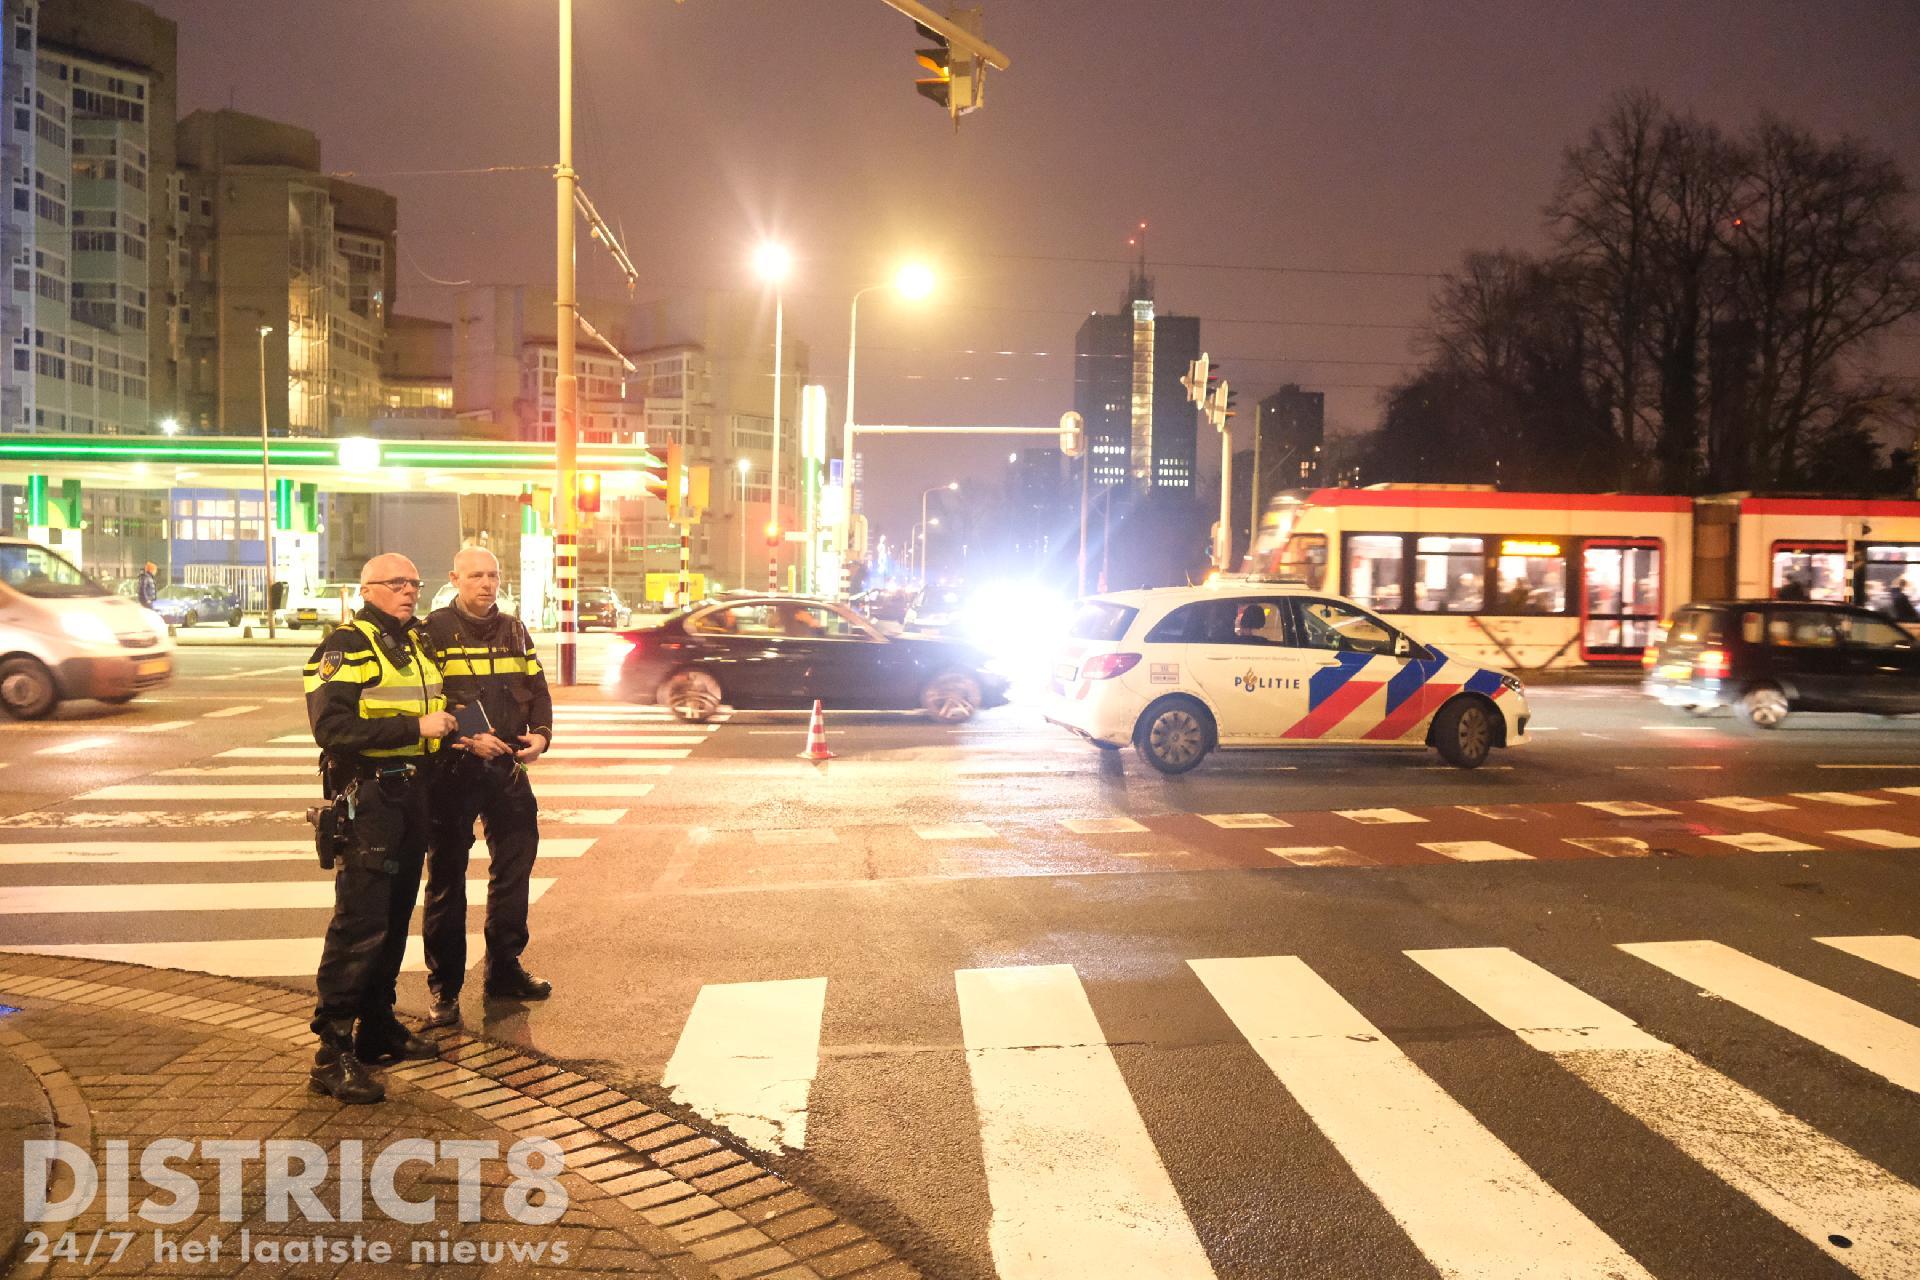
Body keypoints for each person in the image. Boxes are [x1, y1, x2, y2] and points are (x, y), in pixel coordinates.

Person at [304, 554, 463, 1104]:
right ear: (367, 589)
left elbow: (427, 705)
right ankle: (332, 1052)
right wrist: (414, 725)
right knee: (360, 921)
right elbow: (332, 727)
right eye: (397, 583)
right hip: (369, 796)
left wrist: (448, 733)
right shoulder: (346, 646)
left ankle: (377, 1028)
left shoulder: (410, 643)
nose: (409, 591)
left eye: (415, 583)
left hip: (410, 792)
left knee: (394, 916)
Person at [421, 546, 554, 1029]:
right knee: (447, 881)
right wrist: (463, 740)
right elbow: (425, 701)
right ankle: (445, 989)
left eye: (493, 575)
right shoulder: (431, 632)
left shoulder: (514, 629)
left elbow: (537, 689)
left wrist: (541, 735)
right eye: (476, 575)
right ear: (455, 578)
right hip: (453, 773)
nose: (486, 584)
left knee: (514, 871)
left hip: (509, 772)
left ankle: (504, 969)